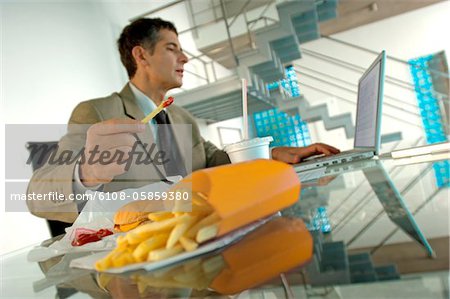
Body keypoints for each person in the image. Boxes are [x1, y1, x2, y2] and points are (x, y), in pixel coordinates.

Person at [27, 18, 339, 223]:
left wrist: (272, 156)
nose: (185, 58)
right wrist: (89, 171)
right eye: (172, 48)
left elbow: (215, 161)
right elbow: (37, 196)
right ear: (141, 56)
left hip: (198, 247)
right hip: (134, 270)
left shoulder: (182, 117)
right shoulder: (96, 113)